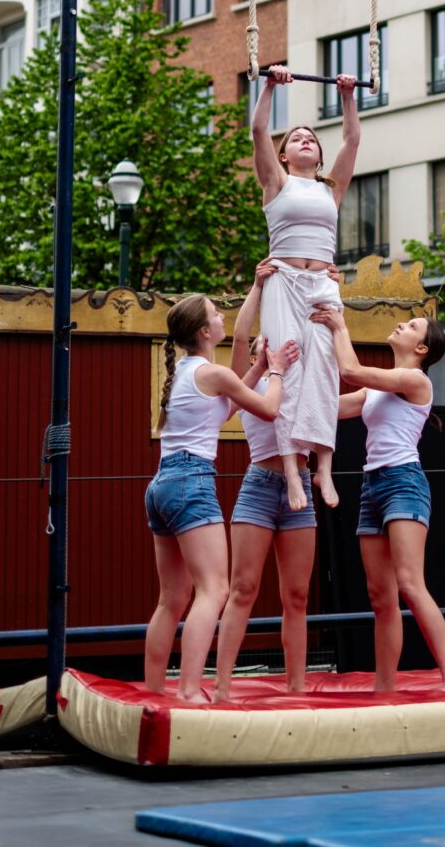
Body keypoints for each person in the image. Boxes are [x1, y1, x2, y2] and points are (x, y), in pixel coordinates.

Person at [144, 293, 297, 706]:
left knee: (171, 599)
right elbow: (266, 408)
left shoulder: (187, 373)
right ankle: (191, 690)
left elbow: (228, 408)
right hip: (192, 482)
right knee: (214, 590)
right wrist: (278, 371)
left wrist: (261, 365)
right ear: (204, 331)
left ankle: (155, 691)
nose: (221, 315)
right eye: (215, 313)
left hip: (162, 484)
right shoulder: (212, 372)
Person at [310, 304, 445, 693]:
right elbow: (327, 409)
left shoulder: (415, 381)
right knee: (381, 597)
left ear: (423, 348)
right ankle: (384, 686)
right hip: (372, 487)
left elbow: (352, 371)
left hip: (403, 482)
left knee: (411, 584)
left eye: (411, 325)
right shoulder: (376, 392)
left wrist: (339, 323)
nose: (401, 324)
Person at [214, 257, 339, 699]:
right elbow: (243, 333)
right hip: (259, 488)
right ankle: (223, 685)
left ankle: (297, 686)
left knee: (297, 597)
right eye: (267, 344)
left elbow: (316, 334)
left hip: (299, 485)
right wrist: (257, 286)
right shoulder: (249, 383)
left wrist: (325, 285)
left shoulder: (298, 375)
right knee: (243, 589)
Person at [251, 64, 360, 514]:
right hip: (284, 283)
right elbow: (258, 130)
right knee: (289, 368)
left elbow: (352, 140)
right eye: (296, 138)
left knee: (325, 371)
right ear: (284, 155)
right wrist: (270, 87)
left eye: (312, 138)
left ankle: (324, 467)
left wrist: (347, 96)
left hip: (322, 283)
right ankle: (294, 470)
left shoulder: (330, 188)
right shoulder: (276, 184)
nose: (306, 141)